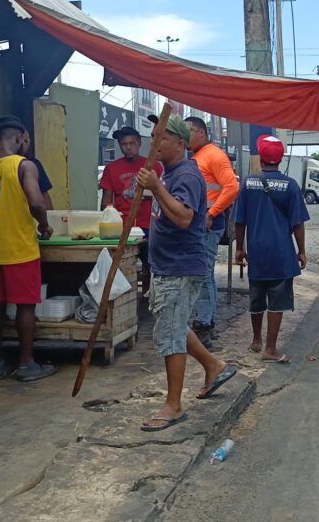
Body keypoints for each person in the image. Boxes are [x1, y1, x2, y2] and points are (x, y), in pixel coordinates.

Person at [134, 116, 236, 431]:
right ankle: (213, 366)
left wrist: (154, 188)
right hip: (167, 266)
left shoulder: (187, 175)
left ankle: (174, 405)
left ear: (180, 143)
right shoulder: (167, 174)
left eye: (161, 137)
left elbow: (183, 218)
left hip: (180, 267)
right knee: (174, 325)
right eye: (152, 137)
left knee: (169, 334)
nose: (154, 143)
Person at [0, 115, 57, 382]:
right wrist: (44, 225)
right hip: (19, 246)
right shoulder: (24, 166)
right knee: (25, 306)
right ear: (20, 137)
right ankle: (26, 364)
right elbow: (36, 202)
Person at [233, 134, 310, 363]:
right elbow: (298, 224)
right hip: (281, 253)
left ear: (261, 157)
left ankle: (256, 341)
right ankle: (271, 349)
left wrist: (240, 248)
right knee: (277, 300)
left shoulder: (247, 183)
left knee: (257, 297)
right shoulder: (291, 186)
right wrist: (302, 251)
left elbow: (239, 220)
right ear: (280, 158)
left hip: (256, 252)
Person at [186, 116, 239, 349]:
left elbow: (232, 187)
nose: (184, 136)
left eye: (188, 131)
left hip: (209, 222)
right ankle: (208, 322)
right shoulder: (199, 156)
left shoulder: (213, 155)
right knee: (204, 273)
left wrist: (211, 213)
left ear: (201, 132)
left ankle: (203, 325)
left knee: (203, 274)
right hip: (203, 220)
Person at [99, 126, 163, 293]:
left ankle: (149, 298)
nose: (128, 147)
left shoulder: (153, 166)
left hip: (148, 224)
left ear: (139, 143)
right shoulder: (112, 168)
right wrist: (103, 219)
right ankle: (126, 299)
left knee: (152, 264)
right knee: (122, 264)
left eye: (131, 143)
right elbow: (107, 197)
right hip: (122, 224)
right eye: (123, 144)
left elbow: (163, 195)